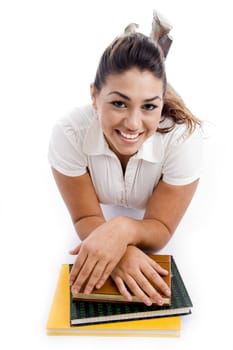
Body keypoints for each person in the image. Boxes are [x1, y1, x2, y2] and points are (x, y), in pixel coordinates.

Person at [48, 18, 203, 307]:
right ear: (94, 96)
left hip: (169, 125)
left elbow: (160, 227)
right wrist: (120, 254)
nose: (132, 124)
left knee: (148, 96)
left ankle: (150, 46)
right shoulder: (69, 134)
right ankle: (140, 41)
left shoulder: (184, 140)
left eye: (149, 106)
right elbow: (84, 217)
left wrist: (122, 228)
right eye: (119, 103)